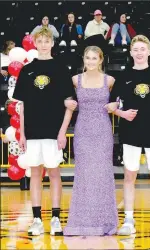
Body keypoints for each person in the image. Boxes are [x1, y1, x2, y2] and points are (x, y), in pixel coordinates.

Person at [12, 27, 77, 236]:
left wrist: (62, 132)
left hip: (53, 131)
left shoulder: (60, 68)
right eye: (39, 41)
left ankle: (56, 218)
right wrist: (22, 133)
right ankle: (37, 219)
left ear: (52, 43)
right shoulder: (27, 70)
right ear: (35, 43)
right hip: (32, 131)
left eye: (46, 41)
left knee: (55, 173)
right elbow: (22, 105)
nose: (42, 45)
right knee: (36, 174)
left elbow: (69, 104)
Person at [109, 35, 150, 236]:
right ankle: (128, 220)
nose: (139, 52)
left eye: (142, 49)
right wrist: (122, 114)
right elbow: (112, 106)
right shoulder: (123, 76)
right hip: (131, 133)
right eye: (135, 49)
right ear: (130, 52)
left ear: (149, 51)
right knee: (129, 176)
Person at [64, 46, 118, 236]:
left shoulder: (110, 80)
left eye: (94, 58)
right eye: (88, 58)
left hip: (103, 132)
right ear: (84, 59)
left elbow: (121, 101)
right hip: (83, 132)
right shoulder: (74, 80)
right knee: (84, 175)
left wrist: (117, 105)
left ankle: (105, 222)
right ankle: (81, 222)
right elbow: (68, 106)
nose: (91, 61)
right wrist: (63, 131)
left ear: (101, 60)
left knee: (102, 175)